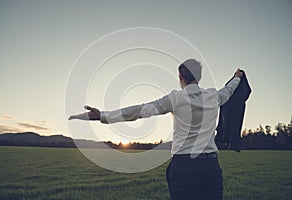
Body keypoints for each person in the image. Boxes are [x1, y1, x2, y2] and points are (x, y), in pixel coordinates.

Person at [69, 59, 243, 200]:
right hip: (210, 167)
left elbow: (139, 111)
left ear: (181, 76)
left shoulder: (176, 98)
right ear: (199, 77)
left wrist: (103, 116)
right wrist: (237, 77)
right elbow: (229, 90)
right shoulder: (213, 96)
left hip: (184, 167)